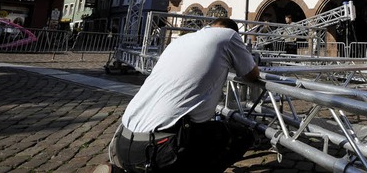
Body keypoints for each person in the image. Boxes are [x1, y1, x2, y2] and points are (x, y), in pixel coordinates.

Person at [95, 17, 259, 173]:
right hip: (160, 148)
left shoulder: (180, 41)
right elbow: (252, 74)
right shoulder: (229, 36)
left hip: (123, 142)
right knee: (242, 136)